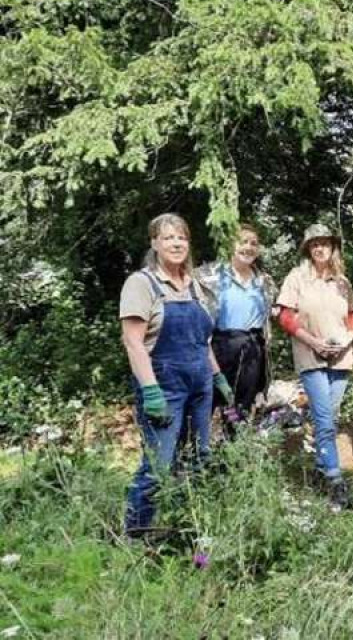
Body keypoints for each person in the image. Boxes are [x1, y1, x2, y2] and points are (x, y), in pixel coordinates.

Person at [120, 213, 233, 537]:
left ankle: (187, 526)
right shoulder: (142, 284)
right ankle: (137, 534)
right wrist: (151, 390)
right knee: (159, 465)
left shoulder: (195, 286)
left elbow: (203, 340)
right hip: (163, 386)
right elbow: (133, 342)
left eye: (181, 237)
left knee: (198, 458)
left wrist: (218, 376)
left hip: (200, 383)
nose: (176, 243)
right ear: (154, 243)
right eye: (168, 237)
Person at [276, 224, 353, 511]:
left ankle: (320, 468)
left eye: (324, 243)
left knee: (329, 417)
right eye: (314, 245)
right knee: (324, 419)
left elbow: (352, 317)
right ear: (308, 249)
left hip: (340, 359)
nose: (320, 248)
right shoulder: (297, 277)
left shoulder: (342, 281)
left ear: (332, 247)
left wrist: (347, 341)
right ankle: (336, 484)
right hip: (311, 358)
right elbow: (285, 317)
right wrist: (313, 342)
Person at [196, 224, 277, 437]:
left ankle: (232, 449)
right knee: (210, 398)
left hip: (252, 347)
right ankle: (194, 453)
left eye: (253, 243)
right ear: (230, 244)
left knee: (240, 402)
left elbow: (269, 314)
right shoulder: (208, 276)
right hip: (219, 346)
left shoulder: (265, 281)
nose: (248, 247)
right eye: (243, 241)